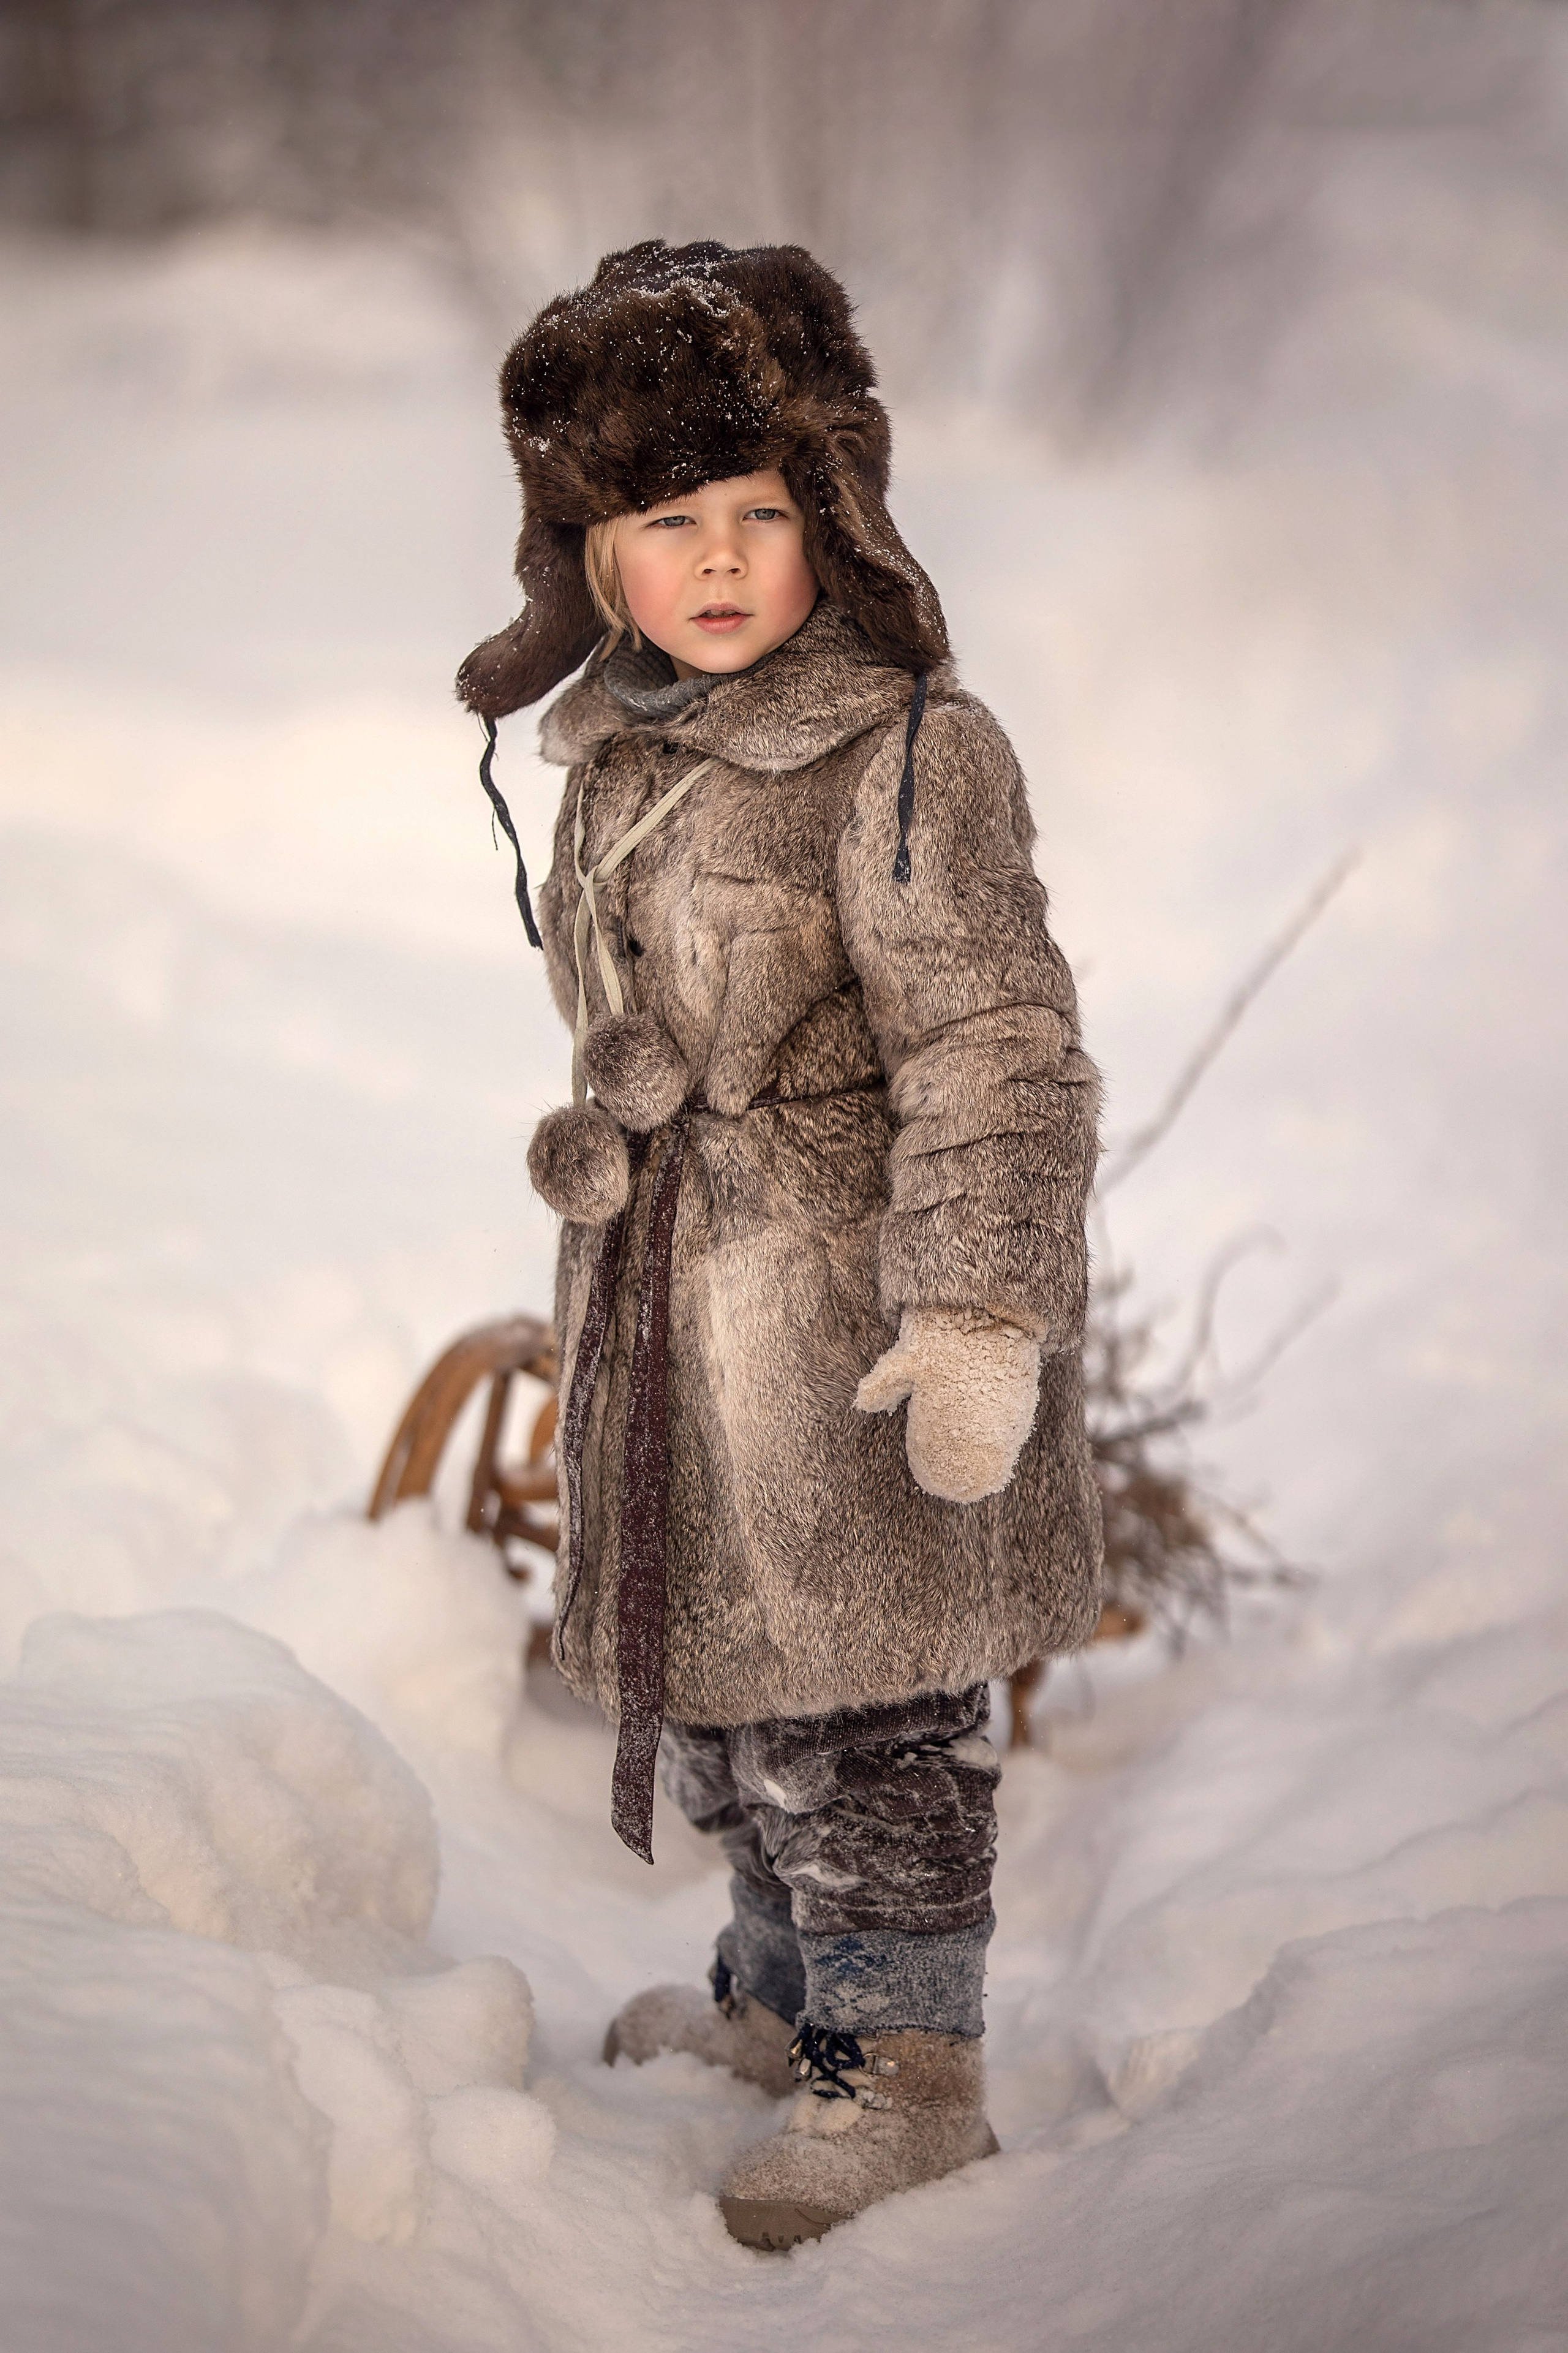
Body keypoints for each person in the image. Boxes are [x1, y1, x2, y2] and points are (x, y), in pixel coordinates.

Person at [458, 239, 1102, 2251]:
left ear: (834, 517)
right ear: (595, 552)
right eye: (673, 521)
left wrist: (980, 1308)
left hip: (844, 1324)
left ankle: (902, 2071)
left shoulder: (904, 755)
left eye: (767, 512)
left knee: (868, 1716)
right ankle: (784, 1996)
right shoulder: (623, 758)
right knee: (735, 1696)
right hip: (676, 1320)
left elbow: (995, 1041)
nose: (726, 560)